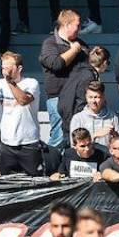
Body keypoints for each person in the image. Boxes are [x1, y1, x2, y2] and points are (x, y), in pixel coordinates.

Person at [0, 52, 42, 176]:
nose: (4, 71)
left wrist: (10, 82)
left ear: (19, 69)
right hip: (6, 144)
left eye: (8, 68)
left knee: (34, 180)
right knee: (7, 180)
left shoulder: (31, 83)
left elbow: (23, 100)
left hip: (28, 143)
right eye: (3, 67)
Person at [37, 10, 85, 149]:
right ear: (66, 24)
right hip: (58, 98)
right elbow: (56, 64)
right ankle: (51, 162)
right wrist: (74, 50)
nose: (80, 29)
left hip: (78, 99)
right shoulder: (50, 43)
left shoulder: (81, 44)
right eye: (77, 25)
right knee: (59, 137)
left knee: (78, 137)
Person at [69, 81, 119, 149]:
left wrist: (115, 134)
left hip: (107, 154)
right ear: (86, 97)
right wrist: (95, 135)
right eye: (90, 97)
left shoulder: (112, 116)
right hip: (87, 154)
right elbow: (74, 146)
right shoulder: (78, 118)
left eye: (96, 97)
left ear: (103, 97)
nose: (93, 101)